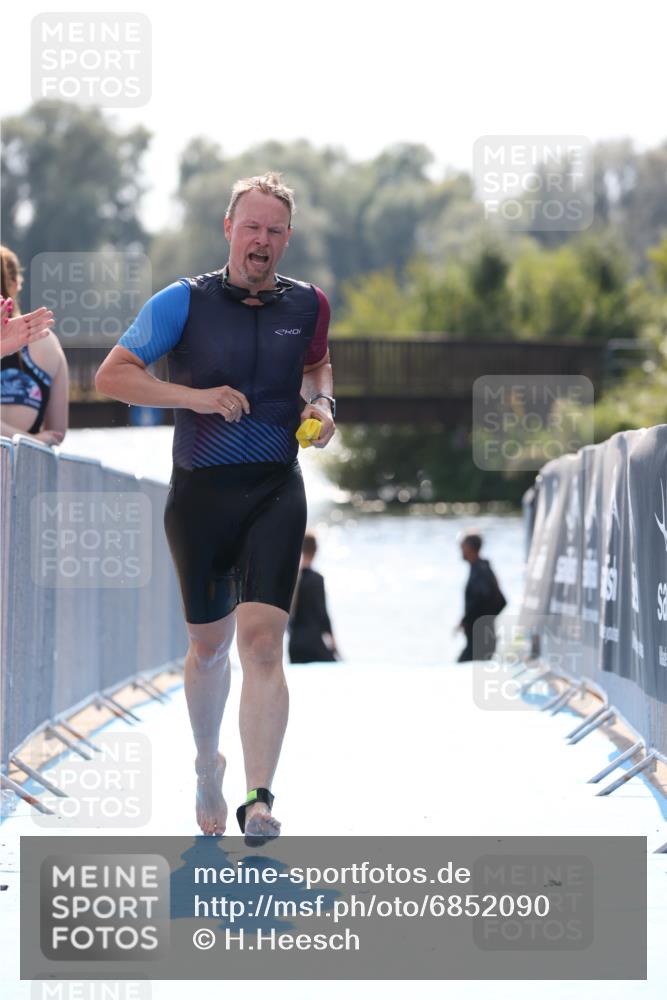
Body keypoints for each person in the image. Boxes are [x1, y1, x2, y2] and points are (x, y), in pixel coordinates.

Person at [95, 172, 336, 841]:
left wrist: (323, 404)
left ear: (287, 238)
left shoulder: (308, 305)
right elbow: (111, 375)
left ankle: (258, 800)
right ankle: (208, 763)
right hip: (201, 495)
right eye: (251, 227)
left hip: (275, 487)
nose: (262, 240)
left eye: (275, 231)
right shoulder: (183, 302)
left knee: (263, 643)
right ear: (229, 229)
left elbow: (318, 365)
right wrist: (196, 398)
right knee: (209, 648)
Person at [0, 246, 68, 446]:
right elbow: (56, 434)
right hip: (23, 473)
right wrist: (32, 440)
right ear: (16, 285)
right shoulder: (47, 342)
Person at [288, 531, 339, 663]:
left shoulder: (292, 579)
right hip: (313, 641)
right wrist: (333, 641)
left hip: (294, 643)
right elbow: (322, 613)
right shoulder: (316, 579)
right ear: (316, 550)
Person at [455, 533, 506, 662]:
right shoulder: (478, 568)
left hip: (481, 640)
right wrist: (465, 621)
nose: (460, 549)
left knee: (461, 667)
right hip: (479, 638)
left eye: (463, 546)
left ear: (470, 548)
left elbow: (499, 601)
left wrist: (479, 623)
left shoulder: (481, 570)